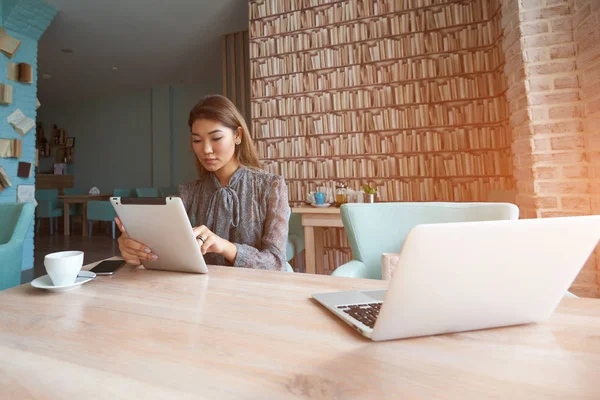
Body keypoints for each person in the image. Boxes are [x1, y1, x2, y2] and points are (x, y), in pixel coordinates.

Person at [115, 95, 289, 271]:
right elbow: (166, 255)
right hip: (197, 293)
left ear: (238, 135)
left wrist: (225, 247)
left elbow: (276, 263)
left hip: (251, 294)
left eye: (216, 138)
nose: (206, 149)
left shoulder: (271, 187)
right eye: (197, 140)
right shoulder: (188, 193)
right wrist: (137, 251)